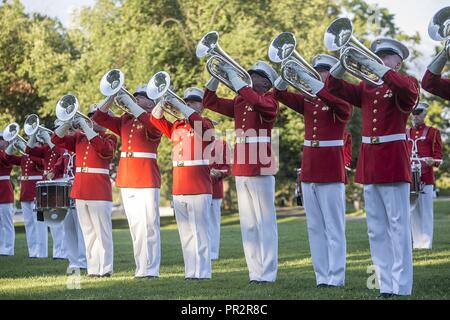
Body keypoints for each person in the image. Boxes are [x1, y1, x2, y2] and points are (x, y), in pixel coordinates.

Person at [325, 37, 420, 298]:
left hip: (392, 159)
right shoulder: (366, 88)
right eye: (377, 55)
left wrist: (382, 70)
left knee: (398, 225)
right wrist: (344, 59)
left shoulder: (406, 83)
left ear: (397, 63)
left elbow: (409, 94)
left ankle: (401, 286)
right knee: (375, 227)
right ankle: (385, 283)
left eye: (386, 56)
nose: (379, 58)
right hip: (371, 160)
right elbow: (332, 85)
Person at [118, 86, 215, 280]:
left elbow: (200, 125)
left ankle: (203, 272)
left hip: (198, 184)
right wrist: (161, 103)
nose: (188, 104)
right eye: (186, 101)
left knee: (200, 232)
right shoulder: (177, 126)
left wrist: (180, 106)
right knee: (186, 233)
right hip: (180, 184)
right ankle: (190, 272)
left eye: (194, 101)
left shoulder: (206, 123)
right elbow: (155, 120)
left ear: (202, 106)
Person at [273, 54, 352, 288]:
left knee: (334, 227)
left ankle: (336, 277)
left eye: (324, 70)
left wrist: (319, 89)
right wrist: (286, 70)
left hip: (331, 168)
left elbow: (344, 111)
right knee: (315, 226)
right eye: (316, 70)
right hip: (310, 168)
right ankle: (322, 276)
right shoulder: (309, 99)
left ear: (333, 74)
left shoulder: (340, 98)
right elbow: (278, 95)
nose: (319, 73)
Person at [203, 61, 280, 283]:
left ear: (266, 82)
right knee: (248, 223)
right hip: (242, 165)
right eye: (250, 74)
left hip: (260, 164)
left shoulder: (269, 101)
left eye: (255, 75)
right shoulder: (240, 101)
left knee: (265, 222)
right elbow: (210, 101)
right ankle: (255, 272)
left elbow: (256, 101)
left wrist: (235, 81)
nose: (249, 77)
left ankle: (268, 272)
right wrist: (216, 76)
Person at [93, 85, 163, 279]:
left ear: (152, 101)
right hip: (127, 176)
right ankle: (140, 268)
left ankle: (151, 269)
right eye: (136, 97)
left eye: (141, 97)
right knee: (135, 226)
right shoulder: (125, 119)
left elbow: (152, 127)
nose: (137, 99)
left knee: (149, 225)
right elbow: (99, 118)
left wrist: (133, 106)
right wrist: (111, 97)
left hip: (146, 177)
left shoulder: (155, 118)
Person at [51, 105, 117, 277]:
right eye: (90, 117)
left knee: (102, 232)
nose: (93, 119)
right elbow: (56, 140)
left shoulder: (109, 137)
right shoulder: (79, 138)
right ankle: (93, 269)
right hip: (80, 190)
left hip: (99, 190)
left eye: (96, 117)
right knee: (88, 233)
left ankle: (106, 268)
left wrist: (86, 127)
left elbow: (103, 149)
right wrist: (67, 124)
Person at [26, 130, 66, 260]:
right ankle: (56, 252)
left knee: (59, 220)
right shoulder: (46, 149)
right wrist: (33, 134)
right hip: (47, 183)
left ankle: (62, 252)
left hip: (59, 181)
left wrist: (49, 139)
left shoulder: (64, 145)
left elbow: (60, 152)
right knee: (51, 219)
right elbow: (29, 150)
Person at [407, 102, 442, 249]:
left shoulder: (433, 132)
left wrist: (432, 161)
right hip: (409, 176)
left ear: (425, 114)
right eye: (413, 113)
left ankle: (426, 244)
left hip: (426, 177)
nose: (415, 116)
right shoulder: (405, 132)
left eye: (418, 113)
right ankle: (417, 244)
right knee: (413, 211)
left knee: (426, 211)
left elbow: (438, 157)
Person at [209, 138, 231, 260]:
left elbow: (226, 168)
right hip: (195, 188)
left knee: (213, 223)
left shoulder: (221, 143)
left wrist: (219, 172)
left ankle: (212, 253)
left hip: (214, 188)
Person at [0, 133, 20, 256]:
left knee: (7, 222)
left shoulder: (8, 155)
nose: (0, 142)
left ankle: (8, 249)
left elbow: (6, 160)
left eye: (2, 140)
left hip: (4, 190)